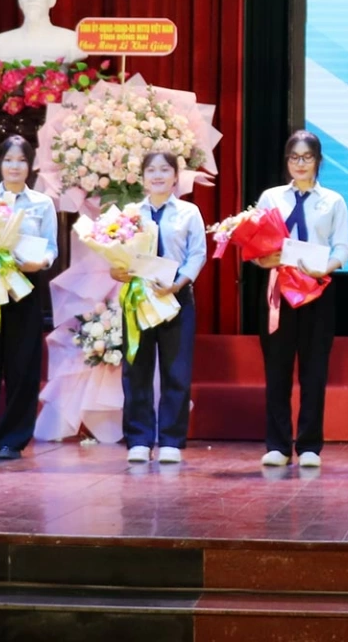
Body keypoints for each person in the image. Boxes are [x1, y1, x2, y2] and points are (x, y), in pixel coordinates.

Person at [255, 131, 348, 469]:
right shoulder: (271, 198)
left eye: (306, 157)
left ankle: (310, 445)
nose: (300, 163)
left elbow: (343, 247)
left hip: (317, 289)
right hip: (278, 290)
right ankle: (278, 445)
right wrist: (261, 259)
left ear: (318, 161)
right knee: (277, 368)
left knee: (314, 369)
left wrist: (326, 266)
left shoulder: (333, 201)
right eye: (294, 157)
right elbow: (257, 244)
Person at [0, 135, 57, 461]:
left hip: (24, 287)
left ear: (30, 166)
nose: (14, 167)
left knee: (22, 368)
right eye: (8, 160)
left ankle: (12, 440)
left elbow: (51, 248)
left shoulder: (42, 204)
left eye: (21, 160)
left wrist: (36, 263)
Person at [123, 150, 207, 464]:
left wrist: (178, 283)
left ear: (175, 177)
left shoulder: (189, 212)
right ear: (142, 177)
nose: (157, 175)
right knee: (137, 371)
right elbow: (118, 252)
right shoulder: (130, 213)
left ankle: (171, 439)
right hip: (139, 296)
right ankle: (139, 439)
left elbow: (197, 254)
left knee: (176, 371)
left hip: (176, 297)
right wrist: (118, 270)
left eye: (164, 170)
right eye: (151, 170)